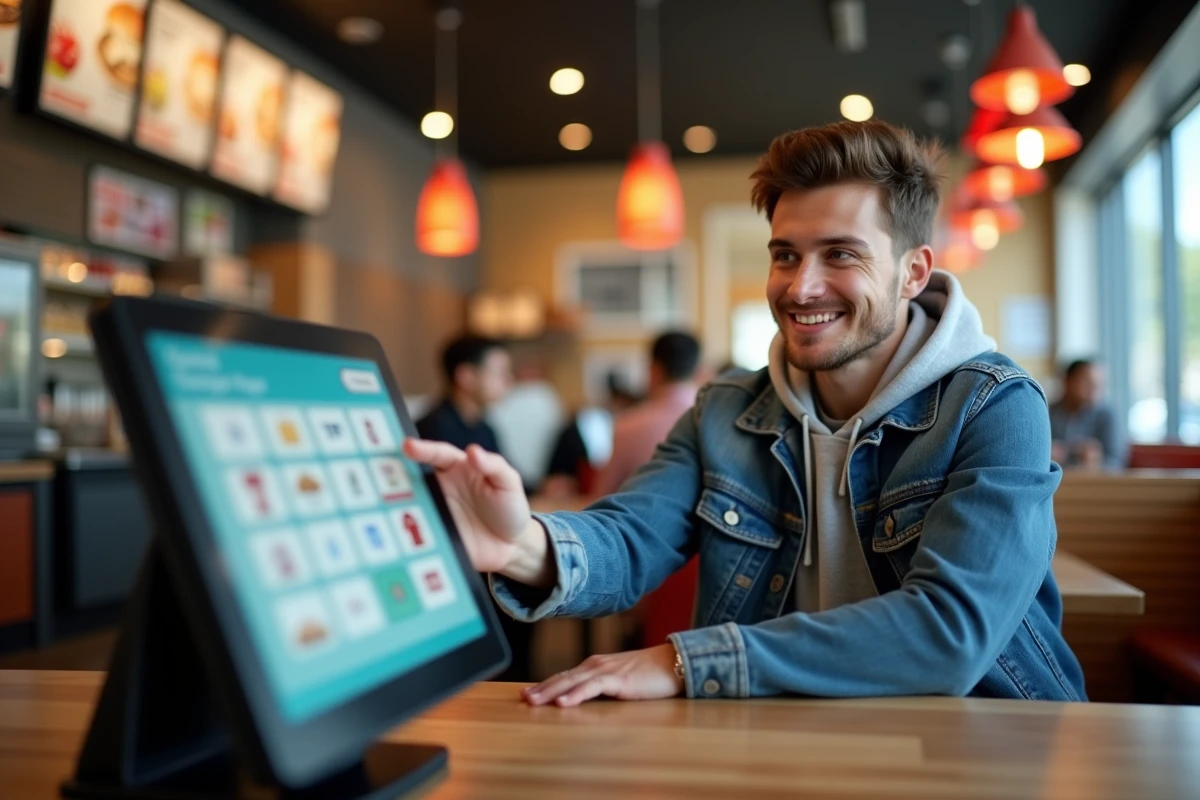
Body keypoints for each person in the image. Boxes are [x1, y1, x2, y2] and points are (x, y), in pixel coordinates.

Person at [406, 120, 1085, 707]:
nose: (801, 286)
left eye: (839, 254)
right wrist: (522, 543)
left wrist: (685, 662)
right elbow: (633, 537)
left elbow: (950, 633)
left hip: (985, 736)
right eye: (785, 255)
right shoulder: (726, 409)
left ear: (913, 272)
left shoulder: (996, 406)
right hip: (779, 737)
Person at [415, 335, 533, 682]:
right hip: (456, 553)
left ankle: (518, 675)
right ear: (466, 376)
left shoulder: (485, 427)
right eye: (499, 372)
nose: (508, 381)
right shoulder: (434, 430)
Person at [589, 331, 702, 497]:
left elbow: (602, 498)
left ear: (653, 369)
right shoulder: (714, 422)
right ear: (699, 369)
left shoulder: (628, 425)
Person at [1049, 359, 1122, 470]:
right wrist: (1046, 455)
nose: (1094, 388)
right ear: (1067, 381)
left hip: (1095, 484)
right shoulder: (1048, 413)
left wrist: (1097, 460)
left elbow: (1117, 462)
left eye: (1099, 383)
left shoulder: (1107, 415)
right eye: (1087, 382)